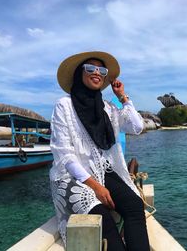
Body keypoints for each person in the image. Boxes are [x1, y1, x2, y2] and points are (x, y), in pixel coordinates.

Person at [49, 51, 149, 251]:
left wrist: (122, 97)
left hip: (104, 171)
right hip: (72, 177)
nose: (97, 72)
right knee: (103, 219)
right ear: (79, 73)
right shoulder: (64, 105)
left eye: (101, 70)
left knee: (135, 207)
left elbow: (137, 127)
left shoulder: (108, 108)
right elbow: (65, 155)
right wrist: (96, 187)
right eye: (90, 68)